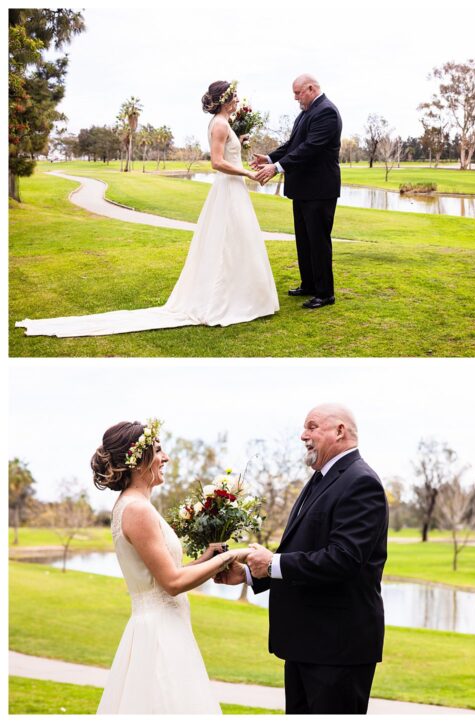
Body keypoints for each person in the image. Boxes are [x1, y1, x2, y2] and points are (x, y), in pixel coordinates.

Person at [15, 80, 279, 337]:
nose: (237, 100)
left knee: (236, 242)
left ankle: (240, 295)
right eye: (233, 96)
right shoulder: (220, 124)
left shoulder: (225, 123)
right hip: (228, 189)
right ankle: (226, 301)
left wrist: (241, 142)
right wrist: (247, 172)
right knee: (227, 242)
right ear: (224, 99)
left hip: (231, 190)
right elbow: (217, 163)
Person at [215, 404, 388, 714]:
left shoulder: (361, 482)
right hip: (306, 646)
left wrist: (270, 563)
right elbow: (304, 550)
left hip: (337, 650)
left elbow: (343, 559)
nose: (302, 435)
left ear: (339, 431)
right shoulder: (321, 479)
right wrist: (249, 575)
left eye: (311, 427)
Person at [91, 419, 250, 714]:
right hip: (160, 634)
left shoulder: (134, 505)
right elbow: (172, 583)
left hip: (166, 625)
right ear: (139, 460)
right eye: (159, 450)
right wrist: (228, 558)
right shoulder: (137, 509)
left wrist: (204, 560)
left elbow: (163, 574)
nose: (166, 458)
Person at [251, 74, 341, 309]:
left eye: (298, 92)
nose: (295, 98)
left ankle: (325, 293)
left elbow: (310, 148)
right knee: (304, 240)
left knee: (318, 241)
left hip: (319, 189)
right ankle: (309, 284)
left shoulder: (326, 111)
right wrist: (270, 157)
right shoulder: (306, 112)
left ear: (311, 88)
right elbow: (294, 144)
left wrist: (277, 168)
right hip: (302, 189)